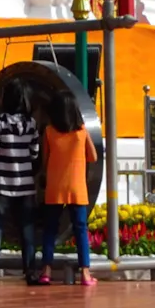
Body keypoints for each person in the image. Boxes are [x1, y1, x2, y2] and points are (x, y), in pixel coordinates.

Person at [0, 97, 44, 286]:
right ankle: (31, 272)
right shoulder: (31, 124)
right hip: (25, 184)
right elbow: (35, 153)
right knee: (27, 229)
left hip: (2, 183)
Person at [35, 100, 96, 287]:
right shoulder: (81, 132)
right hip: (77, 188)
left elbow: (45, 160)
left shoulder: (49, 132)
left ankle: (46, 271)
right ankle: (85, 273)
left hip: (55, 187)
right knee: (80, 230)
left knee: (50, 230)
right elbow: (93, 156)